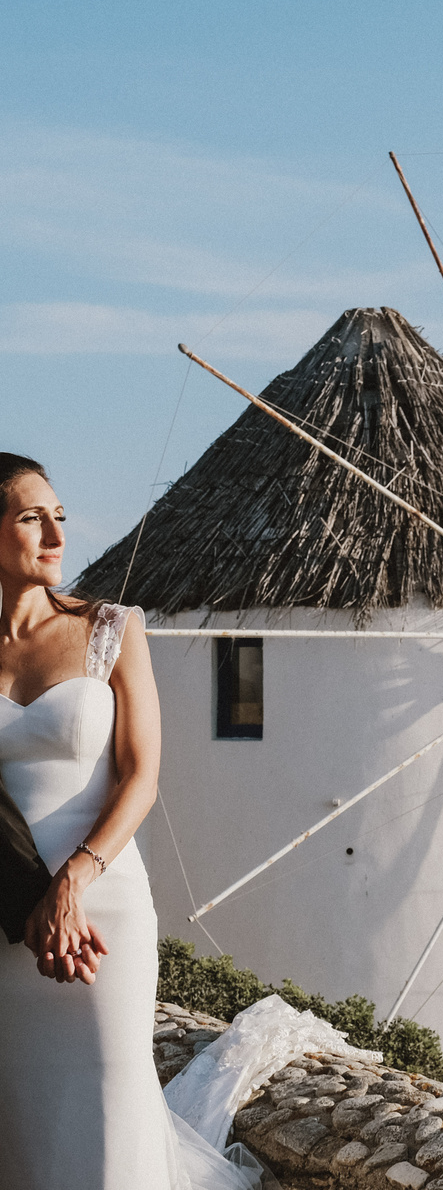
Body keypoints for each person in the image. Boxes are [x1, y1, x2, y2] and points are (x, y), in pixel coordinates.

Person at [0, 453, 262, 1189]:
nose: (55, 531)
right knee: (19, 1120)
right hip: (8, 918)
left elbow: (142, 774)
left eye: (58, 513)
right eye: (30, 516)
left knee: (111, 1106)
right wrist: (30, 901)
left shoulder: (112, 627)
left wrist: (72, 883)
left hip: (102, 909)